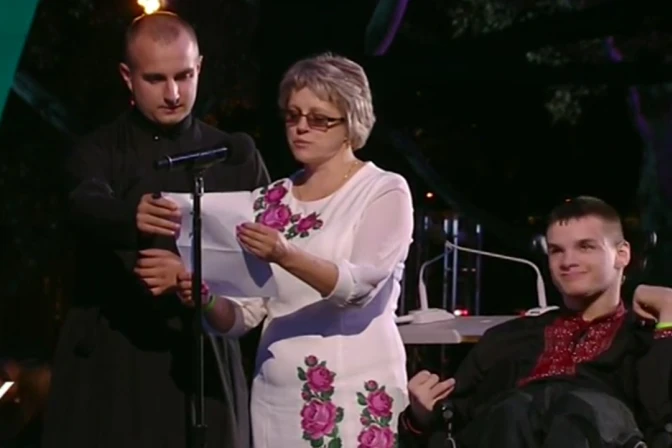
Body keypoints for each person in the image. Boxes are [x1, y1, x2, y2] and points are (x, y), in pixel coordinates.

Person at [41, 12, 269, 448]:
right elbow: (83, 204)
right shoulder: (98, 150)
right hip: (114, 358)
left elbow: (260, 262)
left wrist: (191, 277)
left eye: (184, 76)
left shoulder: (234, 154)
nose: (173, 94)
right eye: (156, 79)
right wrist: (130, 217)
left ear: (199, 67)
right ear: (127, 77)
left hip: (203, 357)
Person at [177, 52, 413, 447]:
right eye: (292, 116)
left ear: (351, 122)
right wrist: (207, 299)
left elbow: (358, 288)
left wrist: (285, 255)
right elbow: (246, 314)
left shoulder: (383, 190)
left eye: (318, 119)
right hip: (278, 398)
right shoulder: (270, 200)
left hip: (354, 387)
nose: (301, 128)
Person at [397, 196, 672, 448]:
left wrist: (669, 310)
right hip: (506, 430)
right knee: (514, 410)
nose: (568, 261)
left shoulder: (645, 339)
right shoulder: (506, 339)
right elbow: (448, 426)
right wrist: (420, 417)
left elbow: (663, 418)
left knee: (578, 409)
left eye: (585, 247)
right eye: (556, 250)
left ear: (622, 254)